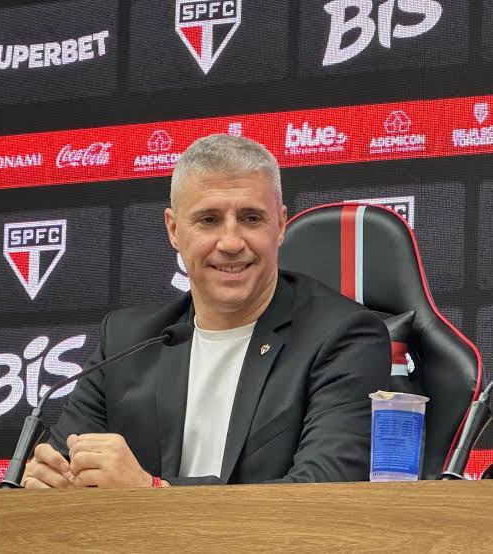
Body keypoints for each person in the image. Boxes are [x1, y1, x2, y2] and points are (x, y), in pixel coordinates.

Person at [22, 134, 390, 489]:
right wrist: (53, 485)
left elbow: (321, 492)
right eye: (209, 220)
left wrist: (152, 491)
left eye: (251, 218)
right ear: (174, 230)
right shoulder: (126, 341)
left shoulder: (344, 336)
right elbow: (63, 468)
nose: (230, 242)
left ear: (280, 225)